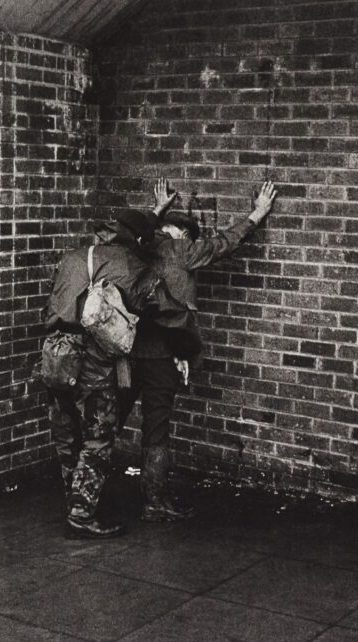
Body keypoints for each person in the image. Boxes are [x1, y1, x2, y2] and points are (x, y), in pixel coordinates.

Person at [119, 179, 278, 523]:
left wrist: (157, 208)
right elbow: (224, 243)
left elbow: (129, 229)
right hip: (163, 352)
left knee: (112, 418)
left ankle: (84, 491)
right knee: (156, 426)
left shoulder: (135, 250)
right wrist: (258, 213)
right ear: (181, 235)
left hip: (128, 350)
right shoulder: (181, 250)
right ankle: (155, 500)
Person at [43, 208, 198, 539]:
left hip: (54, 354)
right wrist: (187, 349)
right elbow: (168, 313)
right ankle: (81, 513)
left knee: (67, 430)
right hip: (91, 362)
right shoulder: (131, 266)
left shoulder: (72, 256)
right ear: (137, 241)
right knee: (99, 433)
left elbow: (52, 304)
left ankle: (73, 499)